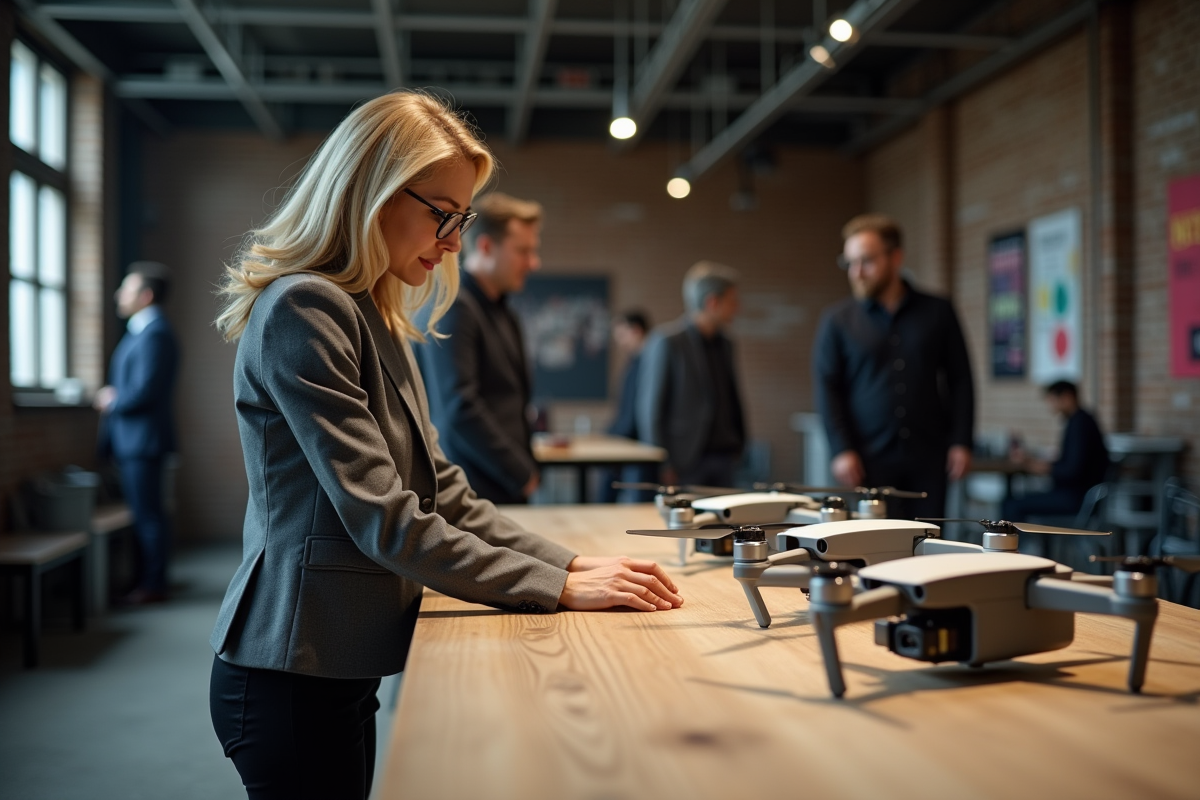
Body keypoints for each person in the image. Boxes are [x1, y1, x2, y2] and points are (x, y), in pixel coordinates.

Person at [207, 92, 682, 800]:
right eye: (445, 215)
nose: (457, 240)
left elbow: (444, 494)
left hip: (337, 661)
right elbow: (384, 518)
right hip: (290, 667)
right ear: (373, 192)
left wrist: (573, 562)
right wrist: (555, 589)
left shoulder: (372, 313)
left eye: (462, 219)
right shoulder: (303, 310)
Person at [814, 214, 974, 519]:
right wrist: (840, 449)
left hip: (930, 455)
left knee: (929, 545)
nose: (857, 272)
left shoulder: (938, 311)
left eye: (867, 261)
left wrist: (961, 441)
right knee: (872, 547)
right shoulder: (837, 321)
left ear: (895, 257)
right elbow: (827, 387)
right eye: (850, 263)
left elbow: (961, 379)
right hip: (865, 459)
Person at [412, 192, 542, 505]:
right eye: (523, 251)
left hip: (499, 486)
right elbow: (459, 407)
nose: (533, 263)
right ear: (485, 246)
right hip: (472, 492)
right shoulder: (455, 307)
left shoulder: (501, 309)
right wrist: (520, 473)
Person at [94, 262, 179, 604]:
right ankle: (145, 580)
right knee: (146, 513)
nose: (119, 295)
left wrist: (112, 400)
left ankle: (153, 585)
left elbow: (145, 390)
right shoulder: (143, 330)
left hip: (142, 442)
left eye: (126, 289)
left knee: (148, 515)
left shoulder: (155, 333)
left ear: (145, 295)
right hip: (136, 441)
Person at [638, 262, 746, 489]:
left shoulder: (727, 344)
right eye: (732, 301)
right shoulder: (668, 342)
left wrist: (740, 443)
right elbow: (651, 410)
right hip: (685, 461)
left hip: (725, 456)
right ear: (712, 302)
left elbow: (733, 397)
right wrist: (663, 463)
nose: (737, 308)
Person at [1001, 381, 1109, 522]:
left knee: (1011, 504)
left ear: (1066, 397)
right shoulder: (1081, 420)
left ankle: (1013, 543)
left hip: (1076, 497)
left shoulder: (1079, 424)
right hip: (1077, 494)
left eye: (1052, 401)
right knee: (1016, 500)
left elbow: (1071, 470)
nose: (1051, 407)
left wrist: (1035, 466)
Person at [600, 310, 656, 502]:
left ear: (636, 331)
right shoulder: (633, 363)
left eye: (622, 335)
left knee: (638, 502)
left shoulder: (650, 363)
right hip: (628, 443)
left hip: (640, 447)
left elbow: (637, 411)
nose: (620, 343)